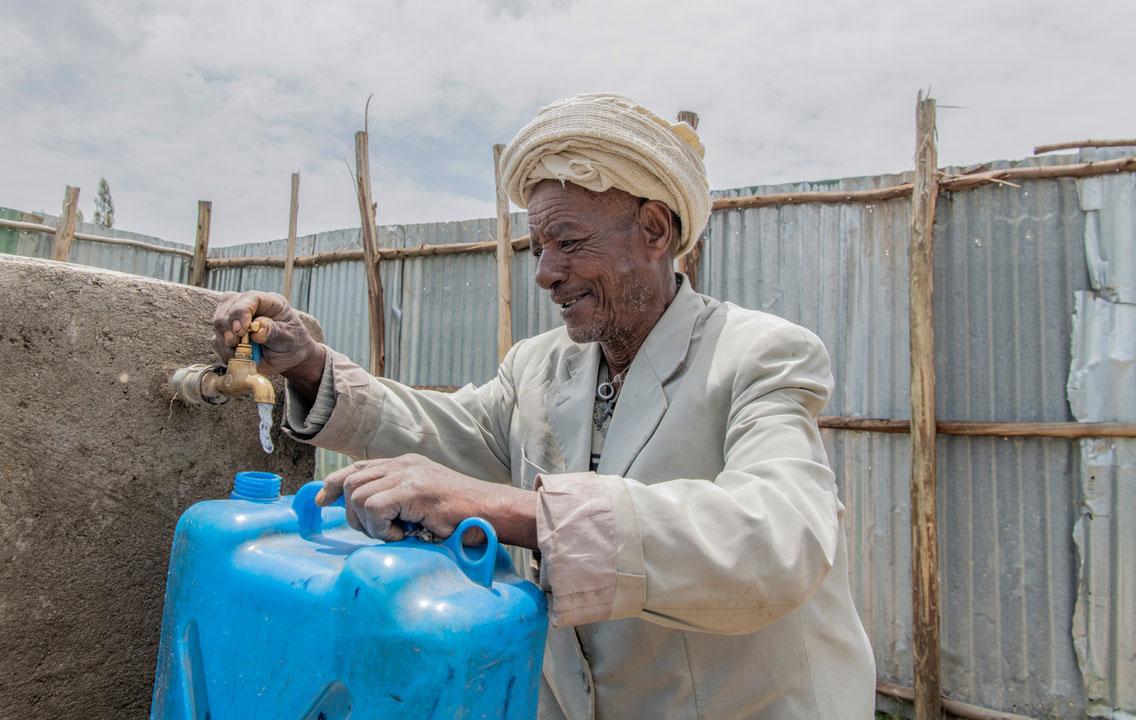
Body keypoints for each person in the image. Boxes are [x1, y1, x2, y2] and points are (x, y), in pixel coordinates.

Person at [212, 93, 875, 719]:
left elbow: (777, 541)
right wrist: (307, 364)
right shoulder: (540, 366)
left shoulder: (759, 355)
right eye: (538, 248)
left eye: (569, 242)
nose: (544, 273)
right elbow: (449, 432)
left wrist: (509, 509)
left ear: (653, 231)